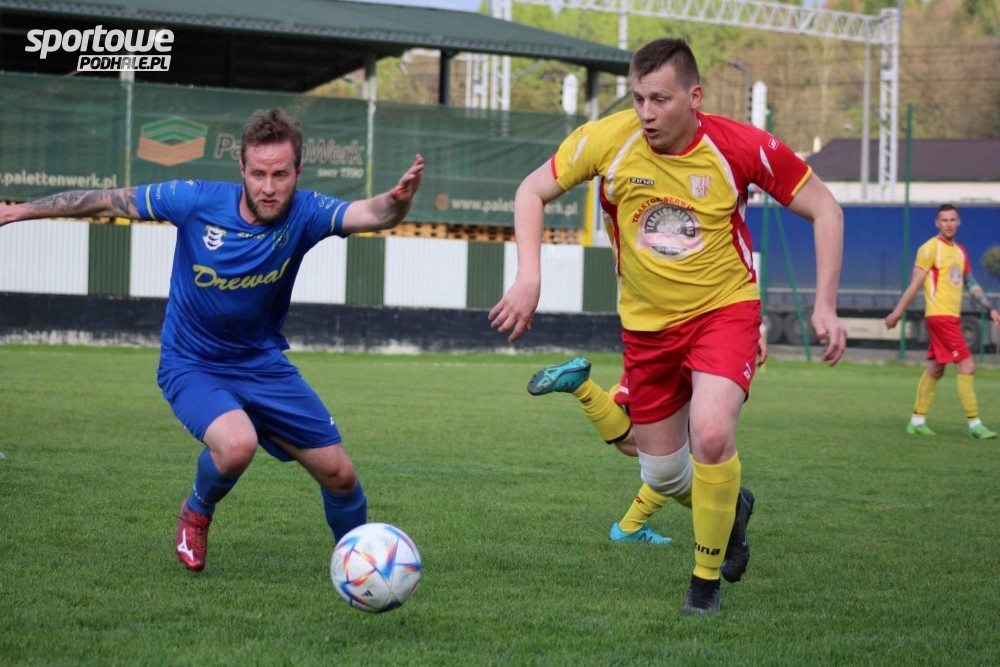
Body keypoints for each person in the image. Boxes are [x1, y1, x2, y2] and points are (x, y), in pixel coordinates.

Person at [489, 38, 847, 615]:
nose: (646, 113)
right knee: (661, 471)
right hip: (647, 328)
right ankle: (733, 510)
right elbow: (531, 190)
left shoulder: (739, 146)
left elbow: (825, 208)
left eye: (660, 99)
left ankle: (703, 587)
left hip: (723, 312)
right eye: (638, 98)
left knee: (711, 435)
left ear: (694, 96)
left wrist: (824, 304)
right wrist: (529, 276)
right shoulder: (608, 140)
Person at [0, 108, 425, 572]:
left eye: (280, 174)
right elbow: (108, 201)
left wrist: (397, 201)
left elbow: (373, 213)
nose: (268, 187)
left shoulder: (305, 213)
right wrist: (20, 210)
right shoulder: (194, 200)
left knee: (340, 475)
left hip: (262, 364)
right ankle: (197, 511)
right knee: (237, 444)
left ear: (298, 172)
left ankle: (360, 566)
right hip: (192, 365)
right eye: (258, 173)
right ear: (241, 169)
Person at [527, 332, 768, 547]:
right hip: (686, 357)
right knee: (672, 456)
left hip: (650, 352)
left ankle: (582, 387)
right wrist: (745, 329)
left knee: (650, 450)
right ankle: (728, 515)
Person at [885, 204, 1000, 439]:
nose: (949, 224)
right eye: (944, 220)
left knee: (936, 369)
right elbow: (915, 284)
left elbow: (971, 283)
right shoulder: (929, 248)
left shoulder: (960, 252)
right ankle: (975, 425)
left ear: (959, 222)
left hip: (950, 318)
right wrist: (897, 312)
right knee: (967, 366)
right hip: (940, 317)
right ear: (937, 223)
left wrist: (990, 308)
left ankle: (917, 421)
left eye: (952, 219)